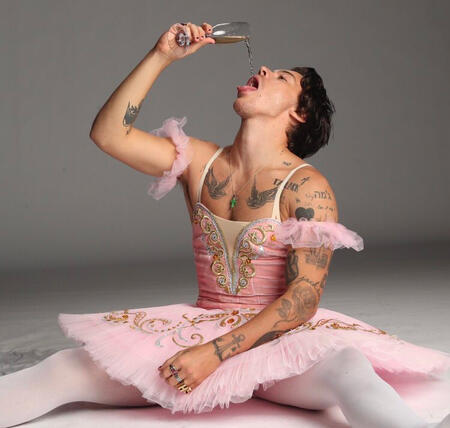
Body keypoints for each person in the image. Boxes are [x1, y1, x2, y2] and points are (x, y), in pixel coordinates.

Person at [0, 22, 449, 428]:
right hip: (199, 324)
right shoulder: (198, 161)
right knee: (64, 370)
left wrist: (213, 354)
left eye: (283, 77)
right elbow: (108, 134)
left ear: (299, 114)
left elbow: (303, 298)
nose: (266, 69)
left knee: (348, 369)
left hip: (278, 343)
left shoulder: (307, 187)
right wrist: (161, 56)